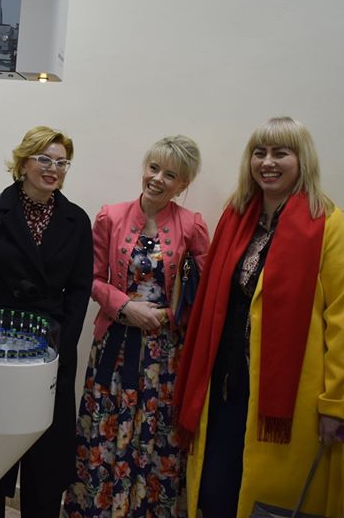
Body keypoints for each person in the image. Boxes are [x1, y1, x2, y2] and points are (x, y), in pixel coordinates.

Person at [174, 116, 344, 518]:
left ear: (302, 159)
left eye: (281, 152)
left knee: (272, 500)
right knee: (219, 490)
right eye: (259, 152)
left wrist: (336, 403)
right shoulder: (237, 215)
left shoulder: (327, 222)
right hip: (227, 385)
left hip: (288, 395)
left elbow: (343, 319)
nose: (268, 162)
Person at [62, 136, 209, 517]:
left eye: (170, 175)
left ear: (183, 183)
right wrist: (125, 306)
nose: (157, 179)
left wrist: (167, 316)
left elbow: (203, 292)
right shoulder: (110, 217)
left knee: (156, 436)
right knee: (105, 429)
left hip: (164, 357)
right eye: (153, 168)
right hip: (114, 346)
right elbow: (91, 278)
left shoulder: (192, 225)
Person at [0, 125, 93, 517]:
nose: (53, 168)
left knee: (45, 458)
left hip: (49, 345)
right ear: (23, 163)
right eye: (44, 159)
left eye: (62, 162)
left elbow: (79, 290)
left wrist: (62, 346)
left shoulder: (76, 220)